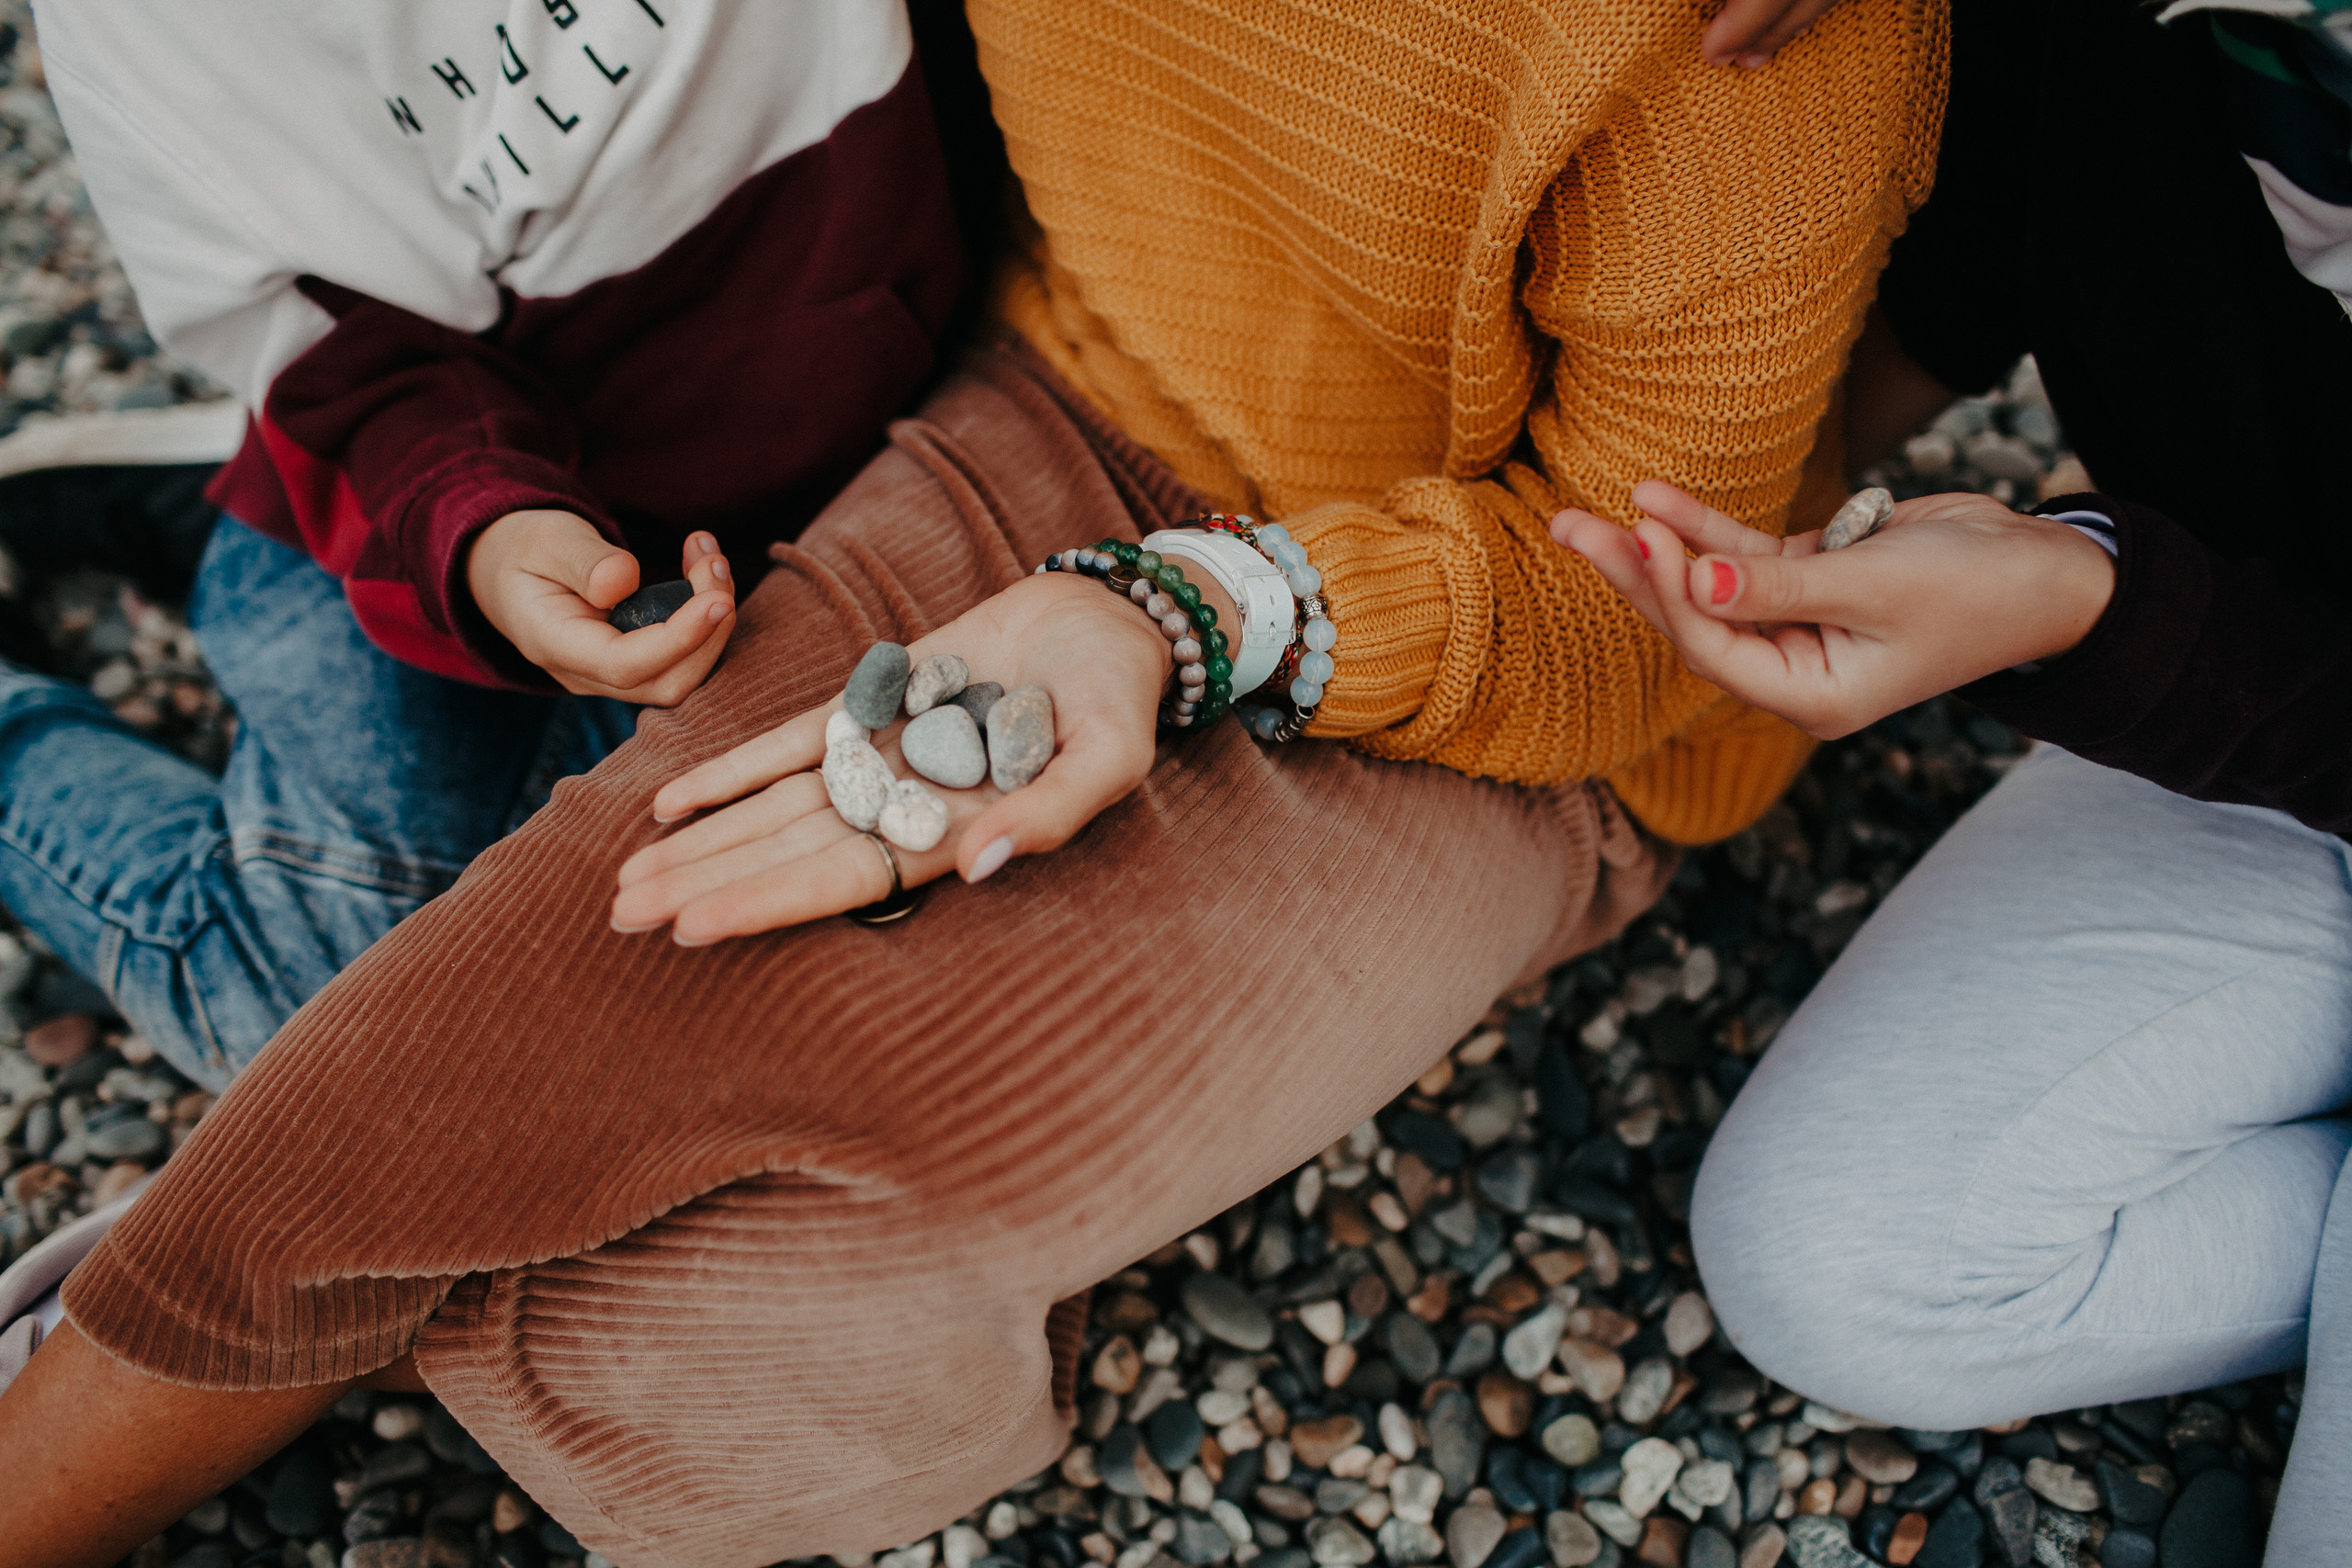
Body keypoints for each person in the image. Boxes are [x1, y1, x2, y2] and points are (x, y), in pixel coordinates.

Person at [0, 1, 1945, 1564]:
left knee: (680, 1359)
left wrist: (1190, 616)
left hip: (1501, 690)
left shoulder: (1760, 47)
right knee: (500, 1009)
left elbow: (1648, 618)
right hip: (1027, 403)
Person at [1555, 0, 2352, 1560]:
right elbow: (2012, 201)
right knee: (1833, 1257)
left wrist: (2087, 612)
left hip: (2216, 662)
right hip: (2274, 677)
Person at [0, 0, 968, 1089]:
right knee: (334, 1043)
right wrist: (482, 527)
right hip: (461, 496)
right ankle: (237, 525)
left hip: (888, 419)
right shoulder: (156, 32)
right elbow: (343, 348)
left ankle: (228, 499)